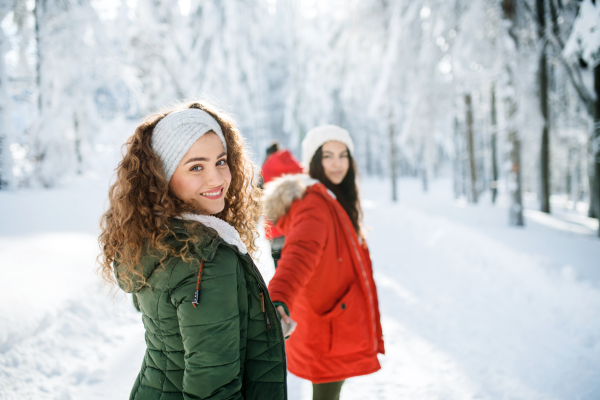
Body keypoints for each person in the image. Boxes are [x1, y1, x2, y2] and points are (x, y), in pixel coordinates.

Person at [98, 102, 287, 400]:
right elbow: (213, 390)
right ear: (162, 175)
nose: (216, 179)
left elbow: (174, 325)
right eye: (196, 166)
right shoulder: (207, 257)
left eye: (221, 161)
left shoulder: (156, 237)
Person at [263, 125, 385, 400]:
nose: (337, 164)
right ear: (314, 160)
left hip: (332, 321)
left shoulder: (334, 197)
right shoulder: (314, 202)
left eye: (343, 155)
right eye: (328, 156)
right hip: (327, 327)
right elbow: (300, 252)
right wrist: (279, 297)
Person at [259, 141, 303, 267]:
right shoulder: (297, 165)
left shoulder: (265, 170)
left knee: (281, 273)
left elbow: (256, 199)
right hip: (298, 227)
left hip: (275, 229)